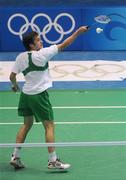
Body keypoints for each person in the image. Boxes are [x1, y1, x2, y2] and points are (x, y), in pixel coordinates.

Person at [9, 26, 88, 170]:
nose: (41, 41)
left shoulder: (20, 57)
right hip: (39, 95)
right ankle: (53, 160)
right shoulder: (43, 54)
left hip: (25, 95)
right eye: (38, 40)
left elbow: (12, 76)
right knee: (49, 126)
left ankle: (15, 156)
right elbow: (64, 44)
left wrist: (14, 86)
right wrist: (78, 32)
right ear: (32, 45)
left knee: (26, 124)